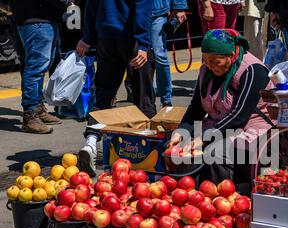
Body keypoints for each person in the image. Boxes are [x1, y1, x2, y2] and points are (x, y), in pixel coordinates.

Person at [167, 29, 275, 194]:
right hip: (220, 126)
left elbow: (239, 116)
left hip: (255, 130)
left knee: (215, 151)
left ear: (231, 55)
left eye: (215, 61)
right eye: (205, 60)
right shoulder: (206, 70)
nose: (209, 66)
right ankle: (191, 197)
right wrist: (181, 131)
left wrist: (204, 137)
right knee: (180, 147)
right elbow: (195, 108)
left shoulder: (253, 71)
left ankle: (224, 198)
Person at [76, 0, 155, 177]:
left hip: (106, 37)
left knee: (103, 95)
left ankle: (90, 142)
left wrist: (89, 37)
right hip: (132, 38)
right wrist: (143, 43)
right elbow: (142, 8)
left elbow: (91, 6)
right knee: (143, 97)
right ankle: (146, 152)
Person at [11, 0, 69, 134]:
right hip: (37, 18)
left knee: (40, 67)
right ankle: (30, 115)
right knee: (35, 68)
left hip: (42, 17)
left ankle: (37, 109)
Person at [151, 0, 188, 107]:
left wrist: (179, 7)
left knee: (159, 55)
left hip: (157, 11)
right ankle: (143, 97)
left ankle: (166, 99)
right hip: (133, 11)